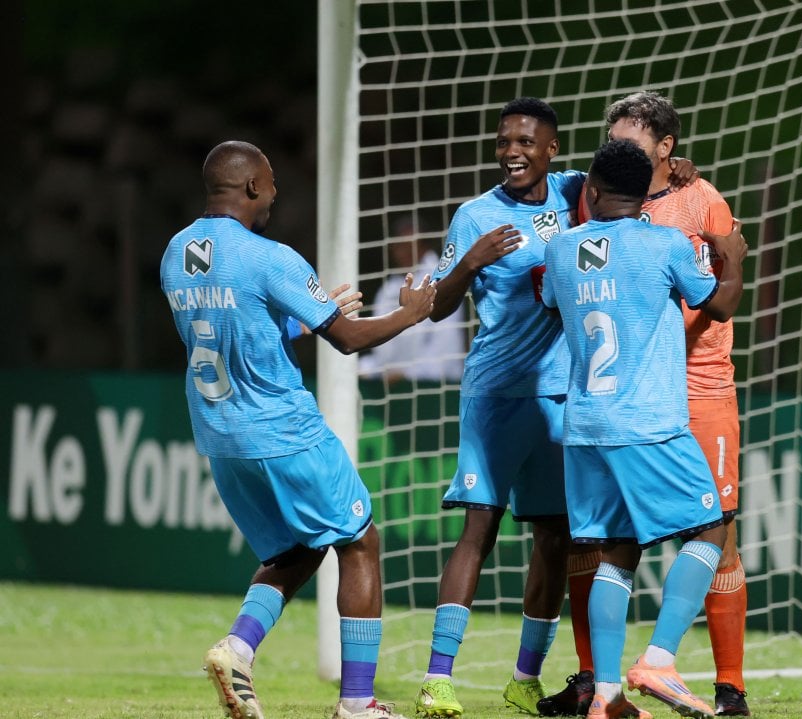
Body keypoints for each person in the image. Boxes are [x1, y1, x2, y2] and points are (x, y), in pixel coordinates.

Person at [162, 140, 437, 719]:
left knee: (300, 545)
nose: (276, 194)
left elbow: (229, 332)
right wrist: (410, 313)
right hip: (282, 430)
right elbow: (349, 339)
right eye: (272, 183)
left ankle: (237, 647)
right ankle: (357, 702)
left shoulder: (175, 252)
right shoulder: (271, 257)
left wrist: (297, 319)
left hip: (220, 435)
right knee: (360, 539)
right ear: (254, 188)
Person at [540, 138, 748, 719]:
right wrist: (732, 256)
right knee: (710, 530)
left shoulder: (560, 250)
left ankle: (606, 698)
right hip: (649, 420)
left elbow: (556, 307)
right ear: (642, 201)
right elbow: (722, 305)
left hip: (584, 427)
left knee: (617, 549)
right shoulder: (664, 244)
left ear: (593, 194)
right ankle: (658, 658)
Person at [411, 97, 582, 719]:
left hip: (561, 396)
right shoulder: (475, 215)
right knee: (477, 527)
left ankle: (523, 680)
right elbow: (437, 307)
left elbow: (630, 178)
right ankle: (438, 679)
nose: (512, 151)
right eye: (504, 140)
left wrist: (678, 170)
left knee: (555, 538)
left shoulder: (574, 193)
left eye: (525, 142)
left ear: (551, 150)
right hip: (496, 395)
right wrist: (469, 263)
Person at [597, 90, 749, 716]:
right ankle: (606, 678)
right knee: (618, 536)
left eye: (629, 144)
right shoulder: (599, 198)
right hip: (639, 389)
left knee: (721, 532)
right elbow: (725, 285)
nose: (614, 154)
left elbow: (723, 286)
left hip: (701, 382)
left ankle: (730, 684)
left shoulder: (701, 198)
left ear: (667, 149)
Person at [359, 216, 465, 383]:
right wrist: (370, 368)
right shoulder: (387, 290)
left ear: (424, 247)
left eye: (412, 246)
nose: (405, 252)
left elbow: (446, 350)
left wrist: (407, 373)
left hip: (439, 386)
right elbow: (381, 349)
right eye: (401, 246)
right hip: (395, 384)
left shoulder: (442, 281)